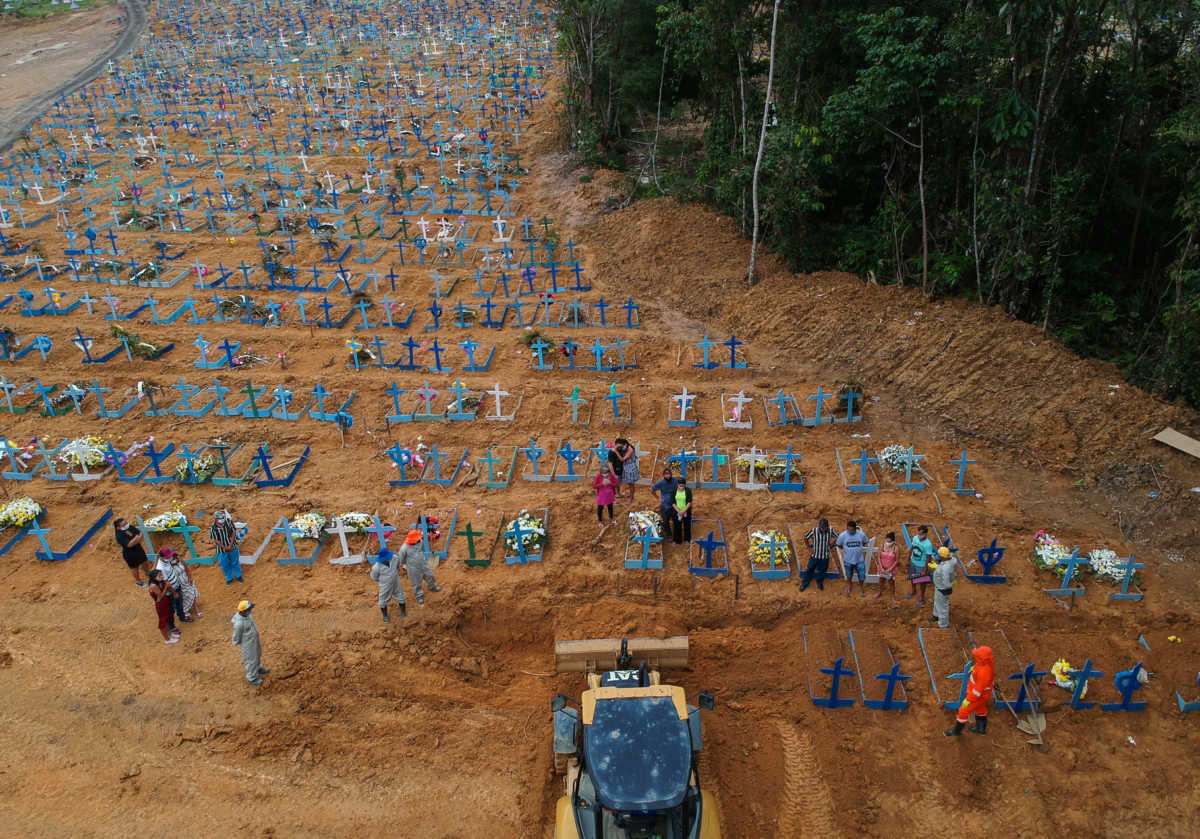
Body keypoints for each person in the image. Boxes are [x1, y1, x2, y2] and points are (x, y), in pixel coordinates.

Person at [946, 646, 994, 736]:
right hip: (984, 695)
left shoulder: (984, 673)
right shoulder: (987, 663)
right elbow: (980, 666)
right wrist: (974, 668)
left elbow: (977, 692)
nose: (976, 658)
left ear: (982, 659)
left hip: (979, 696)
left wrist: (968, 700)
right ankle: (981, 729)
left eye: (978, 657)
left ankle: (957, 731)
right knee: (981, 709)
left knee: (963, 711)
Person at [157, 547, 201, 621]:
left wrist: (190, 577)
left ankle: (196, 608)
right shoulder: (167, 564)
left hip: (185, 579)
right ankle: (185, 610)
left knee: (191, 592)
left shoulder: (179, 558)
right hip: (178, 582)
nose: (171, 557)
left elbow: (186, 568)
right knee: (183, 597)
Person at [398, 529, 440, 605]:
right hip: (413, 568)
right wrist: (407, 564)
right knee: (416, 582)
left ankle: (432, 586)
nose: (418, 540)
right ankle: (419, 595)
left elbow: (423, 550)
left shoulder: (420, 541)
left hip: (423, 563)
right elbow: (401, 559)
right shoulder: (404, 547)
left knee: (430, 575)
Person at [231, 600, 268, 686]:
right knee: (251, 660)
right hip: (247, 644)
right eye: (249, 609)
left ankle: (258, 668)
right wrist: (238, 643)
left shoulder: (248, 615)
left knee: (258, 654)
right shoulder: (239, 624)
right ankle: (252, 677)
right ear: (243, 611)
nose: (250, 610)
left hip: (254, 640)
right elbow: (236, 636)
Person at [370, 546, 406, 622]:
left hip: (396, 581)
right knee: (383, 600)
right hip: (385, 585)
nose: (386, 560)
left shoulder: (395, 558)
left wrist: (393, 575)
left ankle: (403, 611)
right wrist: (384, 580)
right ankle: (385, 615)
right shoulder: (376, 567)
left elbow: (397, 566)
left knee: (400, 595)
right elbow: (374, 577)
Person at [114, 517, 152, 587]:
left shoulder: (130, 527)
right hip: (129, 554)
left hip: (138, 549)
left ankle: (148, 573)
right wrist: (136, 538)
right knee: (134, 568)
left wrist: (135, 540)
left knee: (144, 561)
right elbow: (129, 545)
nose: (126, 525)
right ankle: (138, 582)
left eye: (126, 523)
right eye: (123, 525)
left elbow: (140, 534)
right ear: (118, 528)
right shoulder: (119, 536)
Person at [836, 520, 869, 597]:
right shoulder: (843, 535)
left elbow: (865, 542)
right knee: (849, 575)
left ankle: (861, 587)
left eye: (852, 530)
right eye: (848, 529)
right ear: (847, 528)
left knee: (861, 576)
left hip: (859, 560)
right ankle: (849, 586)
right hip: (848, 560)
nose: (850, 531)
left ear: (855, 529)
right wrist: (846, 550)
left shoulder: (861, 534)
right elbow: (839, 544)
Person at [799, 518, 833, 592]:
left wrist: (832, 545)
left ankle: (819, 582)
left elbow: (838, 537)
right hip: (815, 556)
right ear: (819, 526)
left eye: (825, 528)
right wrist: (809, 548)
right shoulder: (814, 531)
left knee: (823, 570)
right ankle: (805, 583)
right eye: (821, 527)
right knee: (810, 569)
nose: (823, 529)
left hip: (825, 556)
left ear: (827, 526)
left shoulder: (830, 531)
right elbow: (806, 537)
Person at [210, 510, 242, 585]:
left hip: (232, 546)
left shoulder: (228, 522)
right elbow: (216, 540)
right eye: (220, 518)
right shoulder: (213, 528)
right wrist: (225, 547)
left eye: (223, 517)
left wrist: (230, 545)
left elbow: (234, 532)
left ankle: (238, 576)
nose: (222, 519)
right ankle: (229, 578)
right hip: (221, 549)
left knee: (235, 561)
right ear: (215, 519)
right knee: (224, 564)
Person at [147, 569, 180, 644]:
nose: (162, 576)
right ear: (154, 577)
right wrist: (166, 586)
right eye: (159, 575)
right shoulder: (153, 585)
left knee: (168, 619)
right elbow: (160, 596)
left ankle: (169, 634)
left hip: (165, 602)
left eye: (161, 574)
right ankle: (167, 639)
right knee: (163, 622)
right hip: (161, 605)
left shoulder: (159, 582)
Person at [929, 546, 958, 628]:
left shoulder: (945, 568)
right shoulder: (952, 559)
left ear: (942, 557)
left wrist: (937, 568)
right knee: (936, 602)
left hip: (943, 589)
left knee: (943, 607)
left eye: (939, 555)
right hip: (938, 586)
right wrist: (938, 567)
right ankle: (936, 616)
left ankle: (943, 625)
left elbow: (946, 583)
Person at [906, 526, 935, 604]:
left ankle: (922, 597)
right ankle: (913, 591)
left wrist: (925, 570)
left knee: (922, 582)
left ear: (925, 534)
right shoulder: (915, 538)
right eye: (918, 534)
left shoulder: (928, 544)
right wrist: (908, 559)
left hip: (921, 566)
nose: (919, 536)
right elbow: (911, 548)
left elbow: (928, 558)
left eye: (921, 534)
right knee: (912, 577)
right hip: (913, 562)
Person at [651, 468, 679, 538]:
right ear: (663, 475)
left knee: (676, 520)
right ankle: (669, 535)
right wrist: (658, 498)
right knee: (666, 521)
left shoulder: (676, 480)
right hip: (665, 506)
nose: (668, 476)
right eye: (666, 474)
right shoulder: (661, 482)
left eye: (669, 474)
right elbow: (651, 489)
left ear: (671, 474)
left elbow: (683, 485)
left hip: (674, 505)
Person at [875, 532, 899, 601]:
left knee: (891, 583)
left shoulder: (896, 548)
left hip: (891, 569)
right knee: (881, 581)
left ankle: (893, 597)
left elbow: (897, 560)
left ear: (893, 541)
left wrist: (890, 569)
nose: (888, 542)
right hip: (882, 568)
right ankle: (879, 593)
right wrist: (881, 568)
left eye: (890, 541)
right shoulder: (882, 545)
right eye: (887, 540)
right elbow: (879, 557)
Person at [614, 439, 639, 503]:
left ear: (625, 444)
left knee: (631, 484)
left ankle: (631, 498)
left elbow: (622, 459)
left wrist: (616, 452)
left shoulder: (630, 449)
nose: (620, 447)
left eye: (621, 446)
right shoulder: (623, 447)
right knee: (627, 482)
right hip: (625, 467)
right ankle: (623, 494)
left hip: (630, 468)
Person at [671, 478, 693, 544]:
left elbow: (689, 502)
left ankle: (687, 540)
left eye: (683, 486)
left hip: (686, 511)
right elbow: (672, 502)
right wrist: (678, 511)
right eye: (680, 485)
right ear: (677, 485)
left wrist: (684, 511)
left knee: (687, 525)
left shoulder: (688, 491)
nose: (681, 487)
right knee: (677, 526)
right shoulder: (674, 491)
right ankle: (677, 540)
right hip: (677, 511)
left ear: (685, 485)